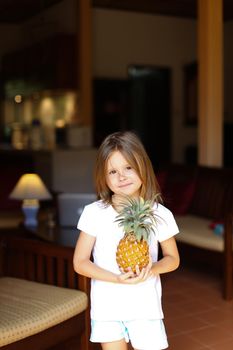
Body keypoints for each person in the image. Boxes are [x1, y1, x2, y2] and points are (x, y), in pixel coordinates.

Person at [73, 131, 180, 350]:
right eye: (113, 171)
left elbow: (173, 259)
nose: (121, 177)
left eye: (128, 167)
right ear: (104, 177)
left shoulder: (159, 213)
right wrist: (116, 278)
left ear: (142, 167)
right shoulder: (94, 213)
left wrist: (152, 268)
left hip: (145, 308)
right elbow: (80, 262)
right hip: (107, 308)